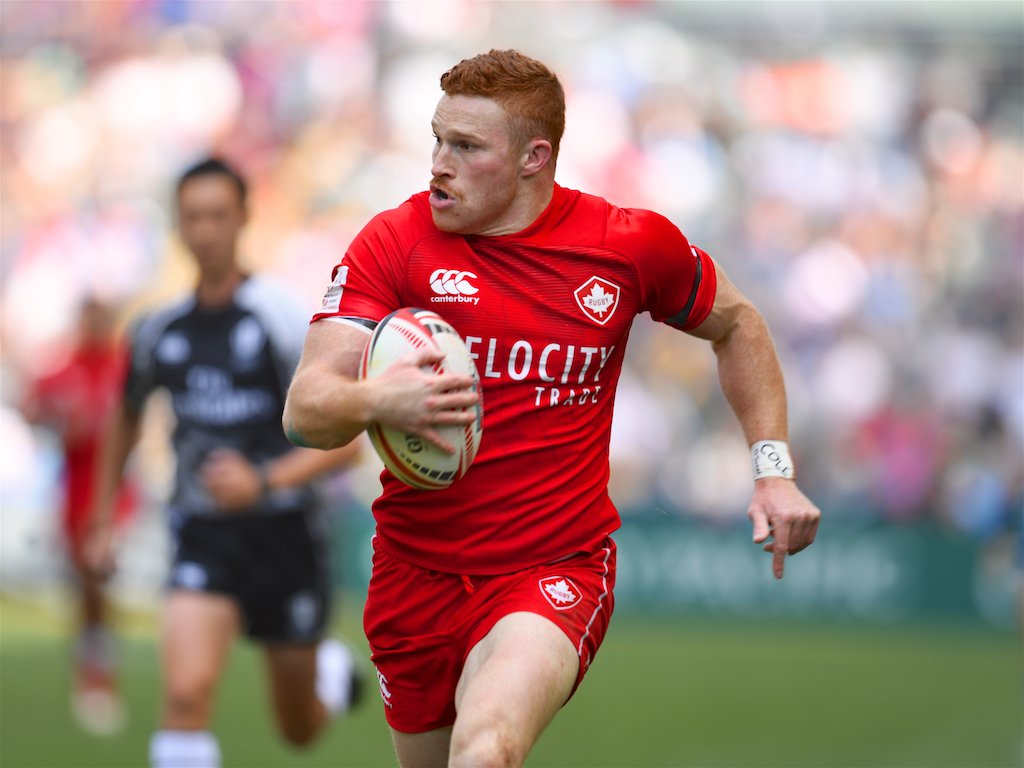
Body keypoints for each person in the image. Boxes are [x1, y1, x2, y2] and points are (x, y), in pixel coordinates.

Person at [283, 49, 821, 767]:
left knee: (486, 750)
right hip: (413, 576)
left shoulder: (624, 245)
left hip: (550, 569)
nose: (439, 163)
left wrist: (773, 467)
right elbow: (305, 411)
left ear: (535, 157)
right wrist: (382, 397)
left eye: (467, 147)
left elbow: (737, 323)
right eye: (437, 139)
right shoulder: (396, 242)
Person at [85, 158, 363, 768]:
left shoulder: (283, 318)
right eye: (193, 217)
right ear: (178, 227)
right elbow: (125, 417)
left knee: (298, 730)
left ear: (242, 219)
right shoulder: (159, 328)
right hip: (202, 532)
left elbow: (350, 438)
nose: (206, 230)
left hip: (286, 536)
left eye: (218, 215)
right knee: (185, 694)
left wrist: (262, 480)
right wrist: (103, 518)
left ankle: (328, 680)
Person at [21, 296, 137, 735]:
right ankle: (93, 670)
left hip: (115, 494)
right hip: (74, 492)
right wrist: (56, 420)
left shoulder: (122, 366)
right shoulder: (63, 368)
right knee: (84, 588)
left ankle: (98, 679)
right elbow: (33, 407)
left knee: (97, 578)